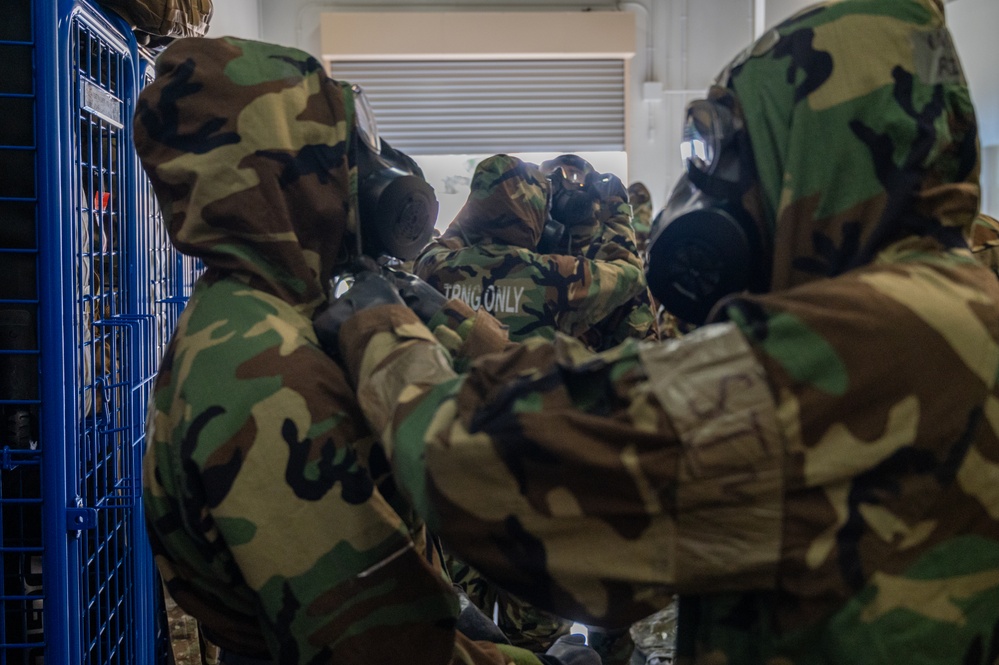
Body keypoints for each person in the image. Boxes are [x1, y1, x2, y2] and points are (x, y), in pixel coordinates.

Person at [314, 0, 999, 663]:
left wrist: (378, 328)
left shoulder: (849, 342)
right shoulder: (956, 304)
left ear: (816, 153)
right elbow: (620, 397)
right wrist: (466, 330)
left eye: (740, 159)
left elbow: (479, 471)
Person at [134, 35, 599, 665]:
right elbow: (386, 648)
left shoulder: (270, 310)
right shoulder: (265, 371)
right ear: (285, 174)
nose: (365, 175)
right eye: (339, 151)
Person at [412, 154, 656, 350]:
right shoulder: (556, 275)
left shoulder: (435, 264)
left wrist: (482, 206)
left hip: (462, 398)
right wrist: (618, 211)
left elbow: (452, 237)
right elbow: (631, 275)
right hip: (530, 401)